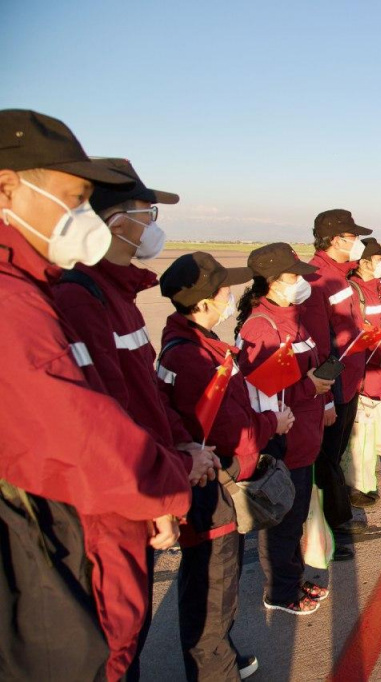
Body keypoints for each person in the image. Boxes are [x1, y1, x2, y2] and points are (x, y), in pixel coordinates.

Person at [0, 109, 191, 680]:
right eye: (73, 196)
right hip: (77, 525)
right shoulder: (23, 300)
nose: (81, 215)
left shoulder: (41, 288)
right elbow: (80, 431)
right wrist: (165, 484)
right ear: (7, 186)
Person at [51, 157, 220, 679]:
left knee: (133, 631)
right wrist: (151, 496)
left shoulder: (118, 296)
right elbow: (105, 418)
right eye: (147, 212)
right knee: (115, 646)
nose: (153, 225)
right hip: (117, 500)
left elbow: (144, 395)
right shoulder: (82, 297)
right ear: (115, 222)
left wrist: (183, 449)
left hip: (145, 477)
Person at [158, 252, 293, 681]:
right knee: (214, 588)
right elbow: (238, 435)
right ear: (203, 304)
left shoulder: (184, 343)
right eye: (222, 292)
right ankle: (215, 669)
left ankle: (219, 655)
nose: (229, 297)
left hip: (202, 480)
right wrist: (274, 421)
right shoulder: (197, 359)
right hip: (210, 490)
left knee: (207, 582)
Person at [235, 243, 333, 616]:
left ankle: (290, 577)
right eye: (293, 276)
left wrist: (321, 395)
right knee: (282, 522)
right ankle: (279, 592)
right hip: (285, 439)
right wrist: (310, 387)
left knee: (294, 518)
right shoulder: (263, 325)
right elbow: (260, 388)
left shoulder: (293, 316)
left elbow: (309, 365)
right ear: (272, 282)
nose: (301, 281)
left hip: (305, 435)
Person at [303, 209, 373, 555]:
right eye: (352, 237)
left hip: (351, 378)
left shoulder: (340, 275)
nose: (356, 243)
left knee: (336, 452)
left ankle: (337, 512)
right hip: (335, 386)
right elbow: (319, 343)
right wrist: (327, 399)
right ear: (334, 240)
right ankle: (334, 527)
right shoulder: (318, 278)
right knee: (327, 457)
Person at [347, 239, 381, 506]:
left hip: (380, 369)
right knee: (360, 434)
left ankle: (367, 481)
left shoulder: (376, 289)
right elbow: (362, 335)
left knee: (370, 432)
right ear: (363, 262)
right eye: (378, 258)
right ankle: (358, 485)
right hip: (365, 372)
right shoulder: (355, 290)